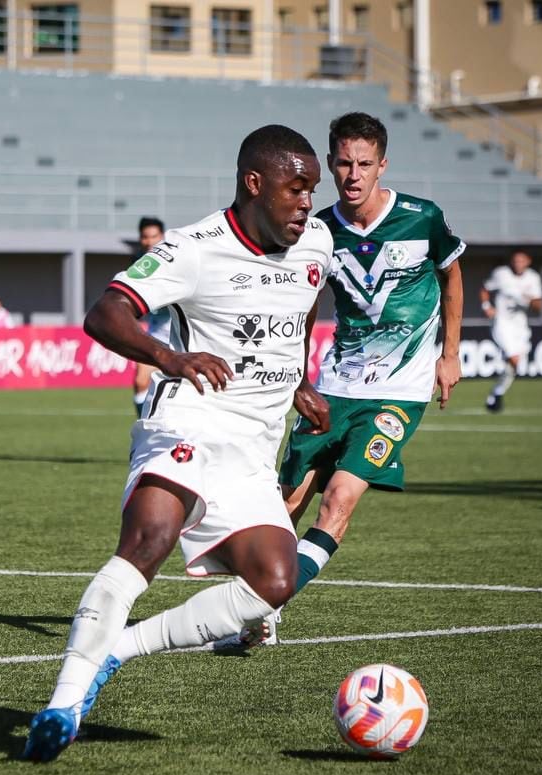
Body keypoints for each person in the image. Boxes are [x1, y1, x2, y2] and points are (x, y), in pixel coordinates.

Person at [22, 125, 335, 762]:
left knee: (274, 583)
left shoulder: (318, 245)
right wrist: (170, 355)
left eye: (312, 190)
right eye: (295, 188)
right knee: (149, 539)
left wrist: (297, 380)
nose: (307, 202)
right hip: (189, 419)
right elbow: (105, 312)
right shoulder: (195, 248)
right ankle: (63, 701)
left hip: (254, 446)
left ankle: (117, 650)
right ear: (255, 184)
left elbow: (298, 314)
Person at [186, 113, 465, 649]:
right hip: (334, 384)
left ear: (382, 164)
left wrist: (449, 354)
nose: (353, 174)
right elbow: (303, 304)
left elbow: (451, 274)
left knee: (338, 500)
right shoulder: (316, 232)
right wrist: (294, 373)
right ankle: (260, 606)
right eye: (343, 163)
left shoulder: (422, 218)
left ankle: (260, 606)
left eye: (364, 163)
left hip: (398, 391)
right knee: (283, 502)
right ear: (331, 164)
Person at [482, 251, 542, 412]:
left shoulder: (533, 278)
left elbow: (539, 306)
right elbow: (484, 288)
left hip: (520, 326)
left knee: (515, 365)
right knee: (514, 359)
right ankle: (496, 395)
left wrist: (530, 300)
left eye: (521, 260)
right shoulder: (501, 274)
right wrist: (486, 306)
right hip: (502, 323)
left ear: (528, 261)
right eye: (515, 260)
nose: (518, 263)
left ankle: (496, 394)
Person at [130, 216, 174, 415]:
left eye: (154, 236)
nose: (149, 241)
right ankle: (144, 425)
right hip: (155, 334)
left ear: (162, 236)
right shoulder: (138, 265)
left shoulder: (174, 261)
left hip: (178, 335)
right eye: (145, 237)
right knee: (141, 382)